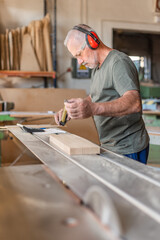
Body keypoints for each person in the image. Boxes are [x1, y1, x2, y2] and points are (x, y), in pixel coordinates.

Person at [54, 24, 149, 164]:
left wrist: (92, 109)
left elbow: (134, 103)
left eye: (79, 54)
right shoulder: (97, 68)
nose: (79, 62)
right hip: (110, 145)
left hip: (127, 148)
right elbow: (95, 96)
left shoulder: (118, 62)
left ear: (92, 41)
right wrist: (74, 108)